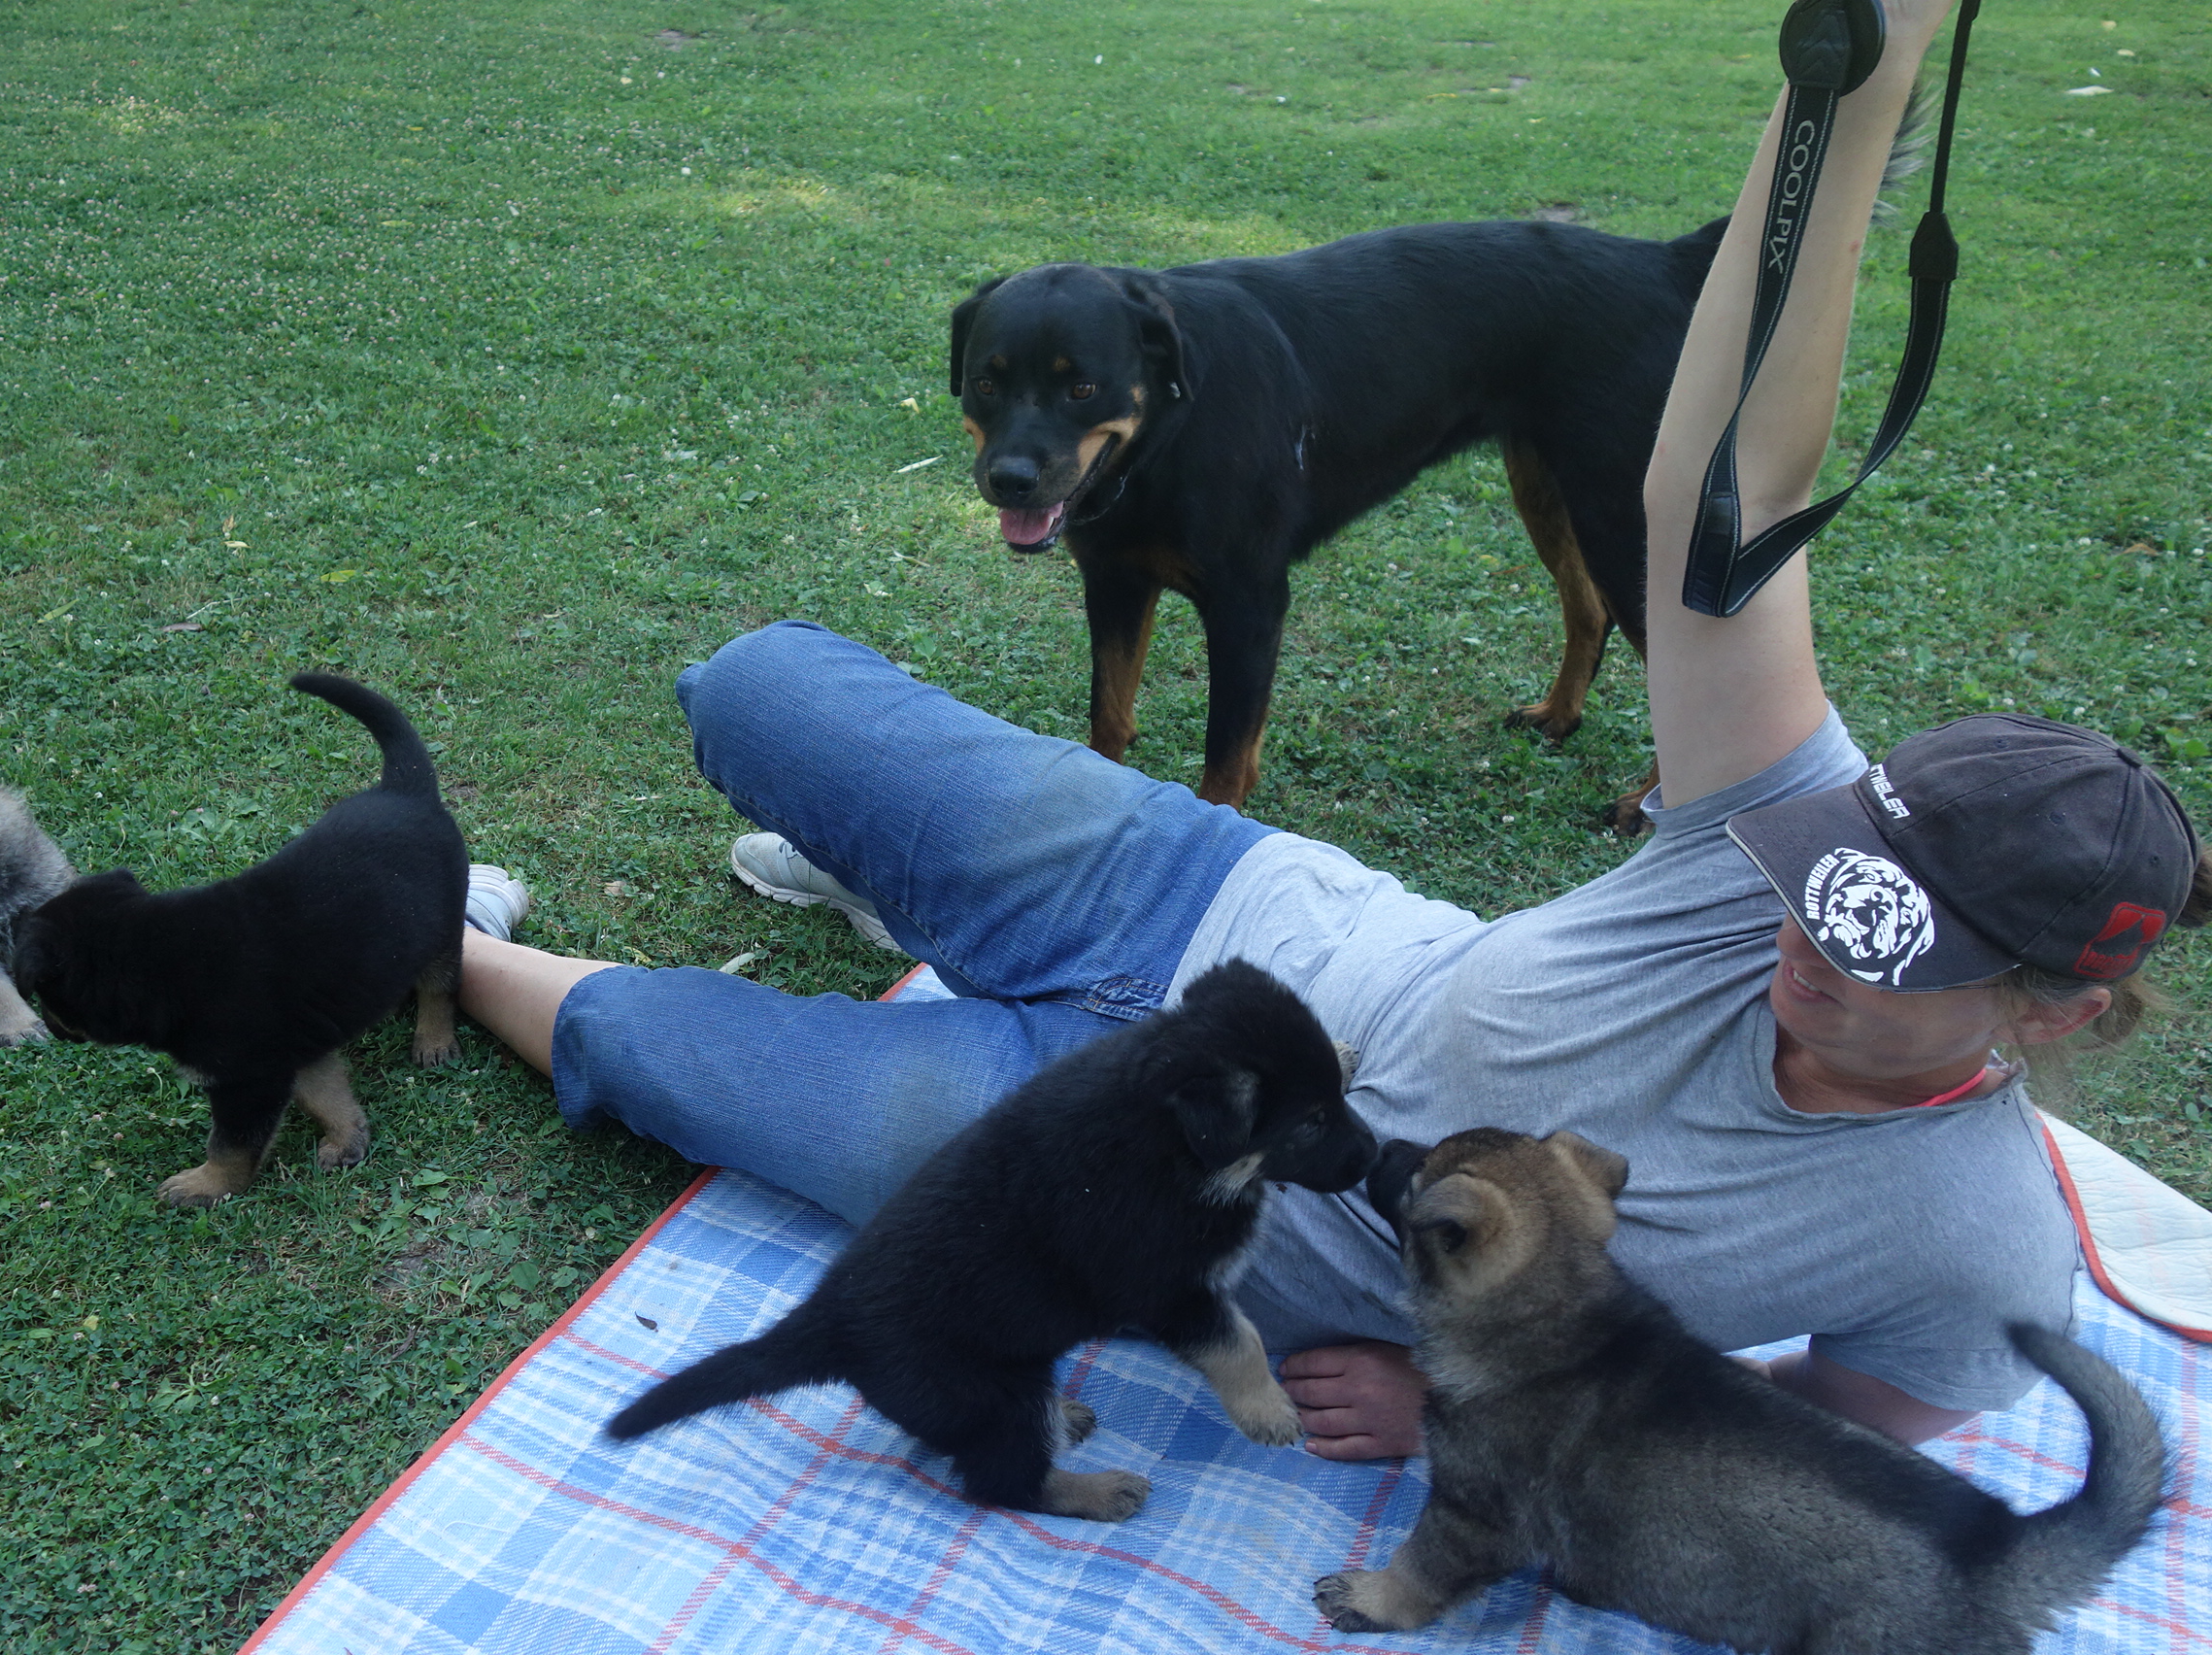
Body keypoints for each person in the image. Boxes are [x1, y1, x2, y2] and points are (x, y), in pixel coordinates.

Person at [453, 0, 2207, 1460]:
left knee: (679, 1059)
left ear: (2057, 1011)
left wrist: (1479, 1408)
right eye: (1837, 879)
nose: (1811, 935)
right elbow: (1725, 476)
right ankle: (906, 900)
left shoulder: (1970, 1237)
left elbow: (1817, 1442)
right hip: (1210, 906)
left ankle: (443, 941)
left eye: (1887, 944)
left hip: (1117, 1184)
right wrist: (1864, 65)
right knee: (753, 687)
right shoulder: (1779, 832)